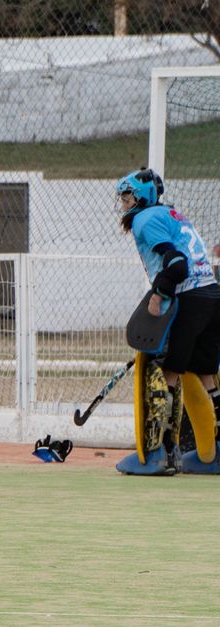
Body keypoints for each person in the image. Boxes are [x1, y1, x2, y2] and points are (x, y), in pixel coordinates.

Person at [114, 169, 220, 475]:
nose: (124, 202)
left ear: (142, 197)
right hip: (212, 295)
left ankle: (159, 452)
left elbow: (176, 264)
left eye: (128, 195)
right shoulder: (173, 213)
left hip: (189, 298)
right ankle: (211, 454)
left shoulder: (145, 220)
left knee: (168, 372)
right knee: (207, 375)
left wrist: (158, 294)